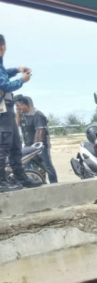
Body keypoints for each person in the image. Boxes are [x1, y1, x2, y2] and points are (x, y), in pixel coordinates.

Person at [0, 34, 41, 192]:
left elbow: (3, 73)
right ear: (2, 47)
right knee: (3, 146)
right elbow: (4, 84)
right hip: (2, 112)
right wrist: (22, 80)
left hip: (7, 111)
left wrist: (16, 70)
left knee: (16, 144)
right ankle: (1, 181)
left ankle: (20, 176)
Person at [15, 96, 58, 184]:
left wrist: (36, 147)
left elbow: (40, 131)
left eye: (18, 105)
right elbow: (18, 124)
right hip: (28, 146)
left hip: (40, 146)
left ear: (26, 105)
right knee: (29, 165)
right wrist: (18, 113)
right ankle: (39, 182)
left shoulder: (38, 115)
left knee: (46, 165)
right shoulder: (24, 114)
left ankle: (54, 183)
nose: (17, 108)